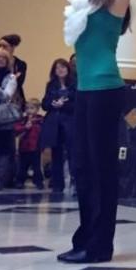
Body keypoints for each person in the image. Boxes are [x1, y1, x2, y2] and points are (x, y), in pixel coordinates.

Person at [12, 0, 136, 264]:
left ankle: (100, 244)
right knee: (83, 165)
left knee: (101, 167)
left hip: (106, 91)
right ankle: (85, 238)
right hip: (86, 91)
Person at [40, 58, 76, 194]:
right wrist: (52, 103)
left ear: (68, 69)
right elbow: (44, 104)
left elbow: (77, 105)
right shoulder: (51, 85)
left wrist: (64, 105)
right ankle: (57, 184)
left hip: (70, 122)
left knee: (72, 153)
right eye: (57, 68)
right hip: (54, 123)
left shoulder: (74, 85)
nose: (60, 70)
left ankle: (74, 182)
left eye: (63, 67)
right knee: (56, 153)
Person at [0, 49, 20, 190]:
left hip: (3, 120)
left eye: (3, 58)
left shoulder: (10, 77)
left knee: (4, 152)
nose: (0, 60)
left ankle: (0, 181)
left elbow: (6, 96)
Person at [14, 99, 44, 189]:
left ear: (37, 109)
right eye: (27, 108)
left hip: (35, 147)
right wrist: (25, 127)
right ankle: (20, 181)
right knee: (22, 166)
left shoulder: (40, 120)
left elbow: (42, 132)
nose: (29, 111)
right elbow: (16, 129)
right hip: (24, 147)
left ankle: (38, 182)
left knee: (36, 166)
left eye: (32, 108)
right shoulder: (23, 120)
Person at [0, 34, 27, 102]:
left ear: (12, 47)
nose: (1, 48)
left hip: (14, 98)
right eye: (0, 46)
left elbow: (19, 82)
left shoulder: (20, 64)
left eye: (4, 46)